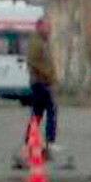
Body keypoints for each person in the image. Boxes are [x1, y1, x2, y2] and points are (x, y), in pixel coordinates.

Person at [25, 16, 58, 155]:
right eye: (47, 26)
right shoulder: (36, 42)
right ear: (39, 27)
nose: (49, 29)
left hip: (44, 82)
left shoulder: (44, 42)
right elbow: (33, 61)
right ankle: (49, 141)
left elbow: (48, 62)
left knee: (38, 113)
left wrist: (53, 77)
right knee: (50, 110)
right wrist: (47, 75)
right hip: (40, 82)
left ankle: (31, 141)